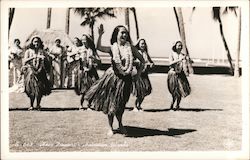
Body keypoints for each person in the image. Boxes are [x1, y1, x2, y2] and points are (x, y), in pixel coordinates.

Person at [85, 24, 145, 136]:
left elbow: (142, 61)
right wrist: (100, 35)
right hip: (113, 79)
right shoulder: (113, 48)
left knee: (121, 104)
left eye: (126, 33)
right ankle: (110, 127)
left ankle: (120, 124)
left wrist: (137, 75)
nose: (124, 34)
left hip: (125, 80)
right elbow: (99, 47)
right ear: (116, 34)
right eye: (122, 32)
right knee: (111, 104)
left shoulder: (130, 48)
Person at [22, 36, 51, 111]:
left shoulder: (42, 51)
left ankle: (38, 104)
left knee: (40, 89)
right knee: (31, 89)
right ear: (32, 42)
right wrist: (34, 57)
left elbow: (47, 60)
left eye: (37, 42)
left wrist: (44, 58)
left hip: (40, 71)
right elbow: (24, 61)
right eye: (35, 42)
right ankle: (31, 105)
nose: (36, 43)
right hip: (31, 72)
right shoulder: (28, 51)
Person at [75, 34, 98, 111]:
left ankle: (89, 105)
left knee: (92, 88)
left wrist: (94, 58)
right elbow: (74, 59)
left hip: (92, 71)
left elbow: (99, 60)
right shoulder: (79, 49)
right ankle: (80, 105)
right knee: (83, 89)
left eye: (85, 39)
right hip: (82, 71)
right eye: (82, 40)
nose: (84, 41)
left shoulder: (92, 50)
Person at [167, 41, 191, 111]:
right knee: (174, 91)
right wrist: (179, 60)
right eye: (178, 46)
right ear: (175, 46)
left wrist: (188, 61)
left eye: (181, 46)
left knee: (181, 91)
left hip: (181, 74)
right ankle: (172, 105)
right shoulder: (171, 54)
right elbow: (170, 63)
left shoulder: (182, 55)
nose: (180, 47)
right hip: (173, 74)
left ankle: (177, 105)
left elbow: (185, 64)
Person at [132, 38, 154, 112]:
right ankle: (135, 106)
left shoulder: (145, 53)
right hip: (138, 74)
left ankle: (139, 105)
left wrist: (151, 64)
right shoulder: (136, 52)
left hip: (144, 74)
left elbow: (151, 62)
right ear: (138, 44)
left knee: (147, 89)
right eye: (141, 44)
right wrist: (137, 62)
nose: (143, 45)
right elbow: (132, 61)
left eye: (144, 44)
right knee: (139, 91)